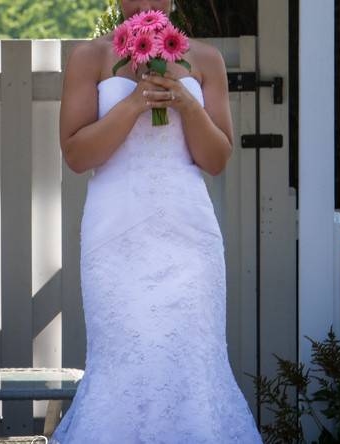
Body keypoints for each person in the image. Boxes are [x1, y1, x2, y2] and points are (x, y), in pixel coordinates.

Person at [50, 0, 263, 442]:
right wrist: (132, 104)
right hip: (116, 236)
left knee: (190, 360)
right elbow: (75, 154)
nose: (146, 2)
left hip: (189, 237)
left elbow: (217, 159)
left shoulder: (206, 60)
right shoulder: (89, 58)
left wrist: (186, 104)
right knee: (124, 360)